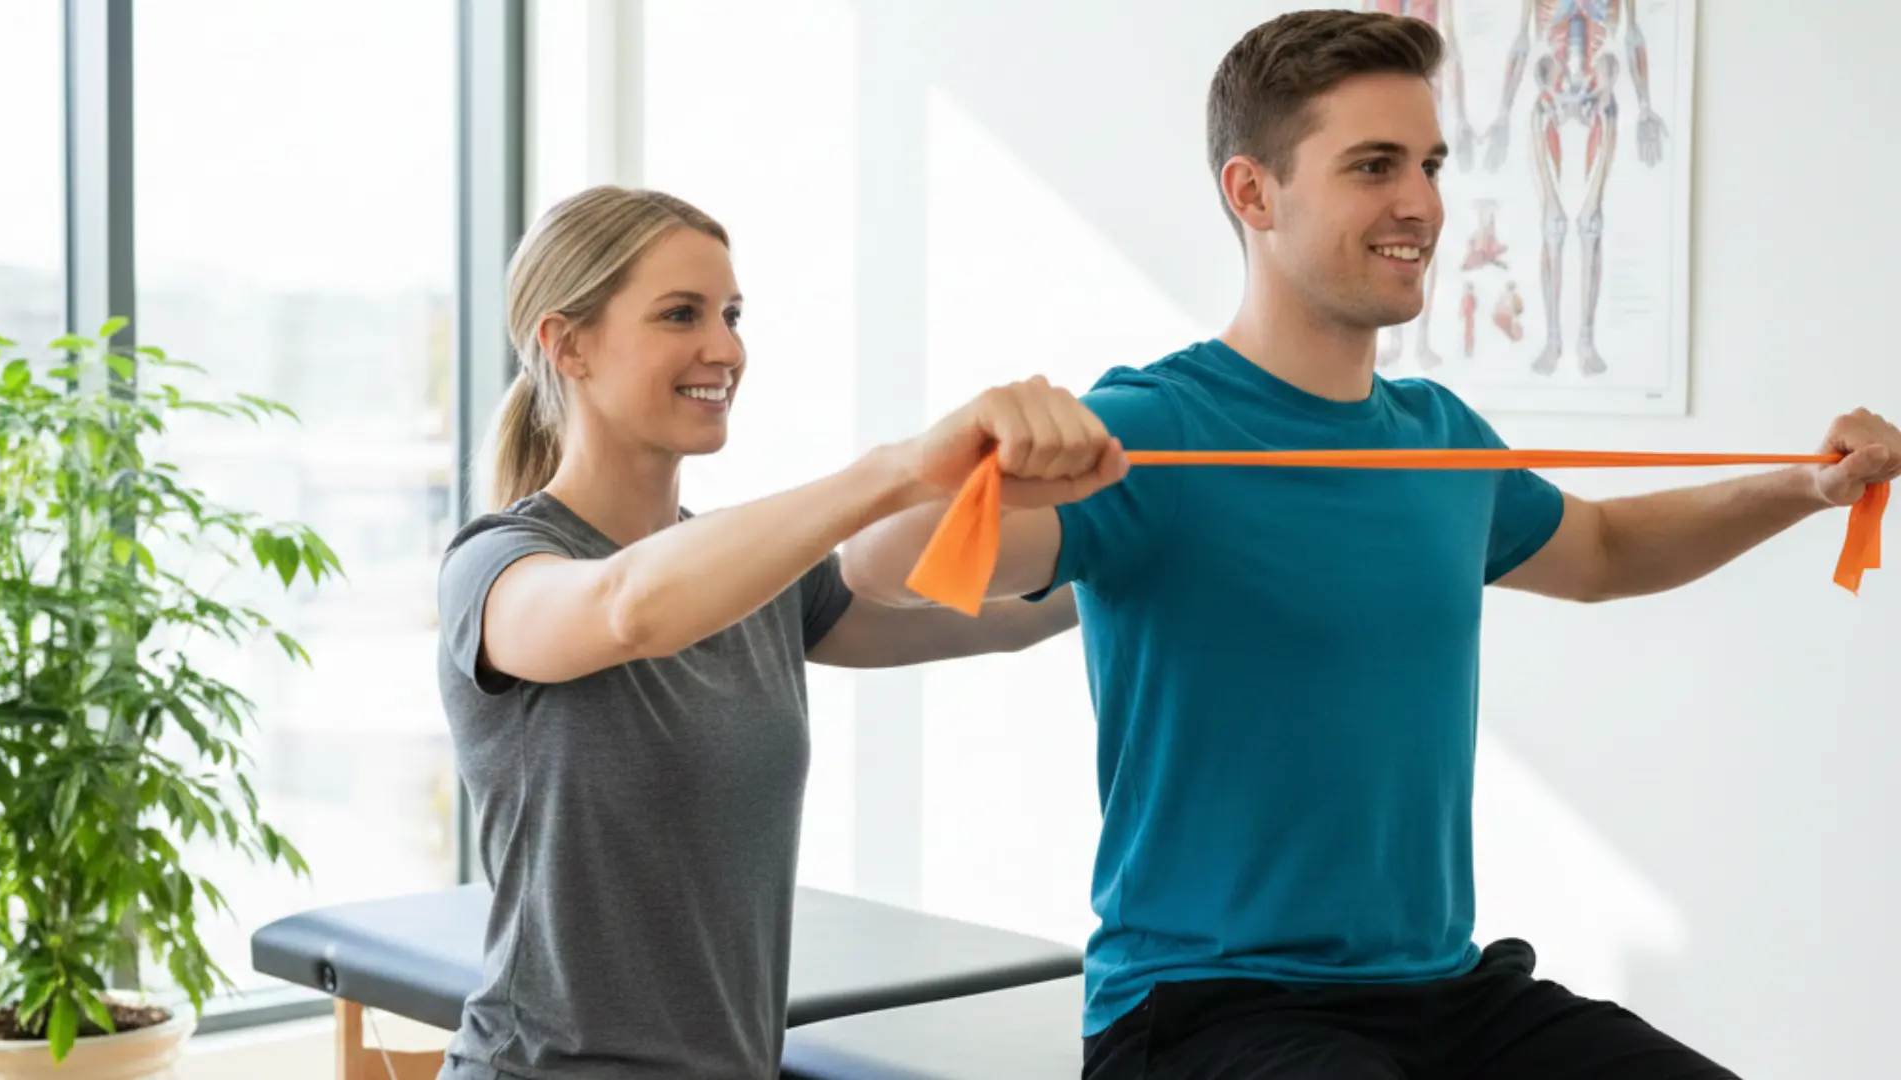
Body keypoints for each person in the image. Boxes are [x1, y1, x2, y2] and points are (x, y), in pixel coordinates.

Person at [839, 10, 1901, 1079]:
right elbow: (879, 570)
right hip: (1207, 1009)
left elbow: (1607, 551)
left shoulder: (1439, 436)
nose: (1423, 204)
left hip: (1445, 993)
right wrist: (963, 460)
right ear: (1252, 193)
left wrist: (1805, 489)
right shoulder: (1153, 432)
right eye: (1374, 166)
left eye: (1432, 164)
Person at [432, 185, 1125, 1080]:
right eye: (680, 314)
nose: (724, 349)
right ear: (567, 345)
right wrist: (897, 470)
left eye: (731, 314)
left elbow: (997, 619)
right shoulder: (498, 569)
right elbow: (624, 609)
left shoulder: (758, 578)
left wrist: (1161, 534)